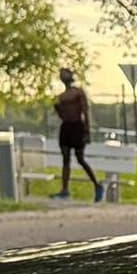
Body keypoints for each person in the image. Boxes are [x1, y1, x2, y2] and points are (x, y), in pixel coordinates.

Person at [53, 67, 100, 201]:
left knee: (80, 158)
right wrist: (58, 109)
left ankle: (97, 185)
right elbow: (63, 115)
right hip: (66, 127)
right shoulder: (61, 96)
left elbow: (85, 111)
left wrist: (87, 130)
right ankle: (64, 190)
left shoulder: (78, 93)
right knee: (65, 158)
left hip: (77, 127)